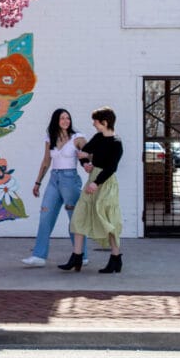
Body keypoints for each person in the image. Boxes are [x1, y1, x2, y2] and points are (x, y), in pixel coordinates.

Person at [59, 106, 123, 274]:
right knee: (79, 216)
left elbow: (111, 168)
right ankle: (77, 257)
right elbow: (85, 151)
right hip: (93, 179)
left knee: (107, 220)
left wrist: (96, 182)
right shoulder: (98, 137)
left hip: (106, 183)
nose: (93, 124)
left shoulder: (116, 143)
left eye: (96, 121)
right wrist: (86, 162)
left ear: (105, 122)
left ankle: (116, 258)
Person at [21, 108, 88, 267]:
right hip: (53, 179)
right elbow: (46, 161)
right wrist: (38, 182)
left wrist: (86, 158)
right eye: (62, 118)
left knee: (74, 219)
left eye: (68, 118)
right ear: (56, 121)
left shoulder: (77, 137)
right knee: (45, 215)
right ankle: (39, 256)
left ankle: (82, 255)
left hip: (70, 180)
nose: (66, 121)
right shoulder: (50, 138)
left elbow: (88, 153)